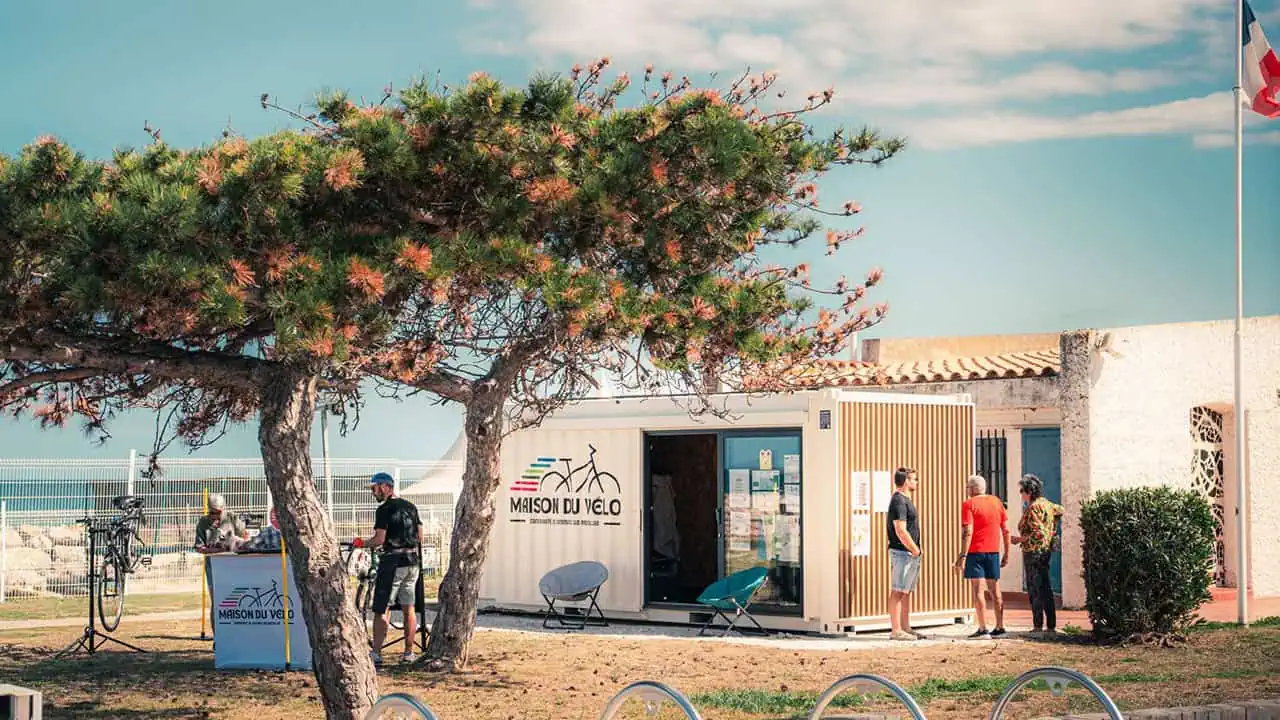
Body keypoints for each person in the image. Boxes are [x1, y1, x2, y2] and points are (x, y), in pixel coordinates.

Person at [355, 472, 423, 667]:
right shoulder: (410, 507)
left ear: (385, 487)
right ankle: (408, 653)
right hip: (412, 562)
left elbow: (379, 539)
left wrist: (361, 543)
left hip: (392, 563)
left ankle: (376, 653)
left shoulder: (384, 510)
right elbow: (420, 536)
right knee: (409, 608)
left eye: (375, 488)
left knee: (382, 608)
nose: (373, 493)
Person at [954, 474, 1010, 639]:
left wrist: (962, 555)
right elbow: (1006, 530)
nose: (967, 490)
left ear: (972, 488)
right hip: (993, 552)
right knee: (995, 590)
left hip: (975, 552)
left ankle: (983, 628)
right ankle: (1000, 627)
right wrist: (1006, 553)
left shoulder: (968, 504)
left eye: (967, 487)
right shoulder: (997, 502)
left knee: (978, 590)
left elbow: (968, 531)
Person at [1011, 474, 1065, 637]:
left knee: (1035, 589)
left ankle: (1038, 624)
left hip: (1033, 552)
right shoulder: (1047, 504)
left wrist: (1019, 539)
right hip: (1045, 551)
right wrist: (1052, 528)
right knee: (1046, 587)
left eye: (1022, 491)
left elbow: (1038, 532)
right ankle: (1051, 624)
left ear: (1029, 492)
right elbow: (1060, 510)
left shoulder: (1034, 508)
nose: (1021, 494)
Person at [193, 493, 248, 637]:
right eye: (211, 513)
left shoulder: (232, 518)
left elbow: (244, 536)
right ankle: (218, 636)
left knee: (236, 599)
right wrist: (217, 550)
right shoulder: (203, 523)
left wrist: (234, 545)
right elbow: (199, 547)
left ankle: (237, 633)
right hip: (213, 567)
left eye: (217, 513)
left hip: (233, 566)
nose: (214, 516)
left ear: (223, 509)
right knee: (217, 601)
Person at [886, 467, 924, 641]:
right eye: (914, 479)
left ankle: (905, 627)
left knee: (905, 591)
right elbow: (900, 529)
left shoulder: (905, 500)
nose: (916, 482)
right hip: (902, 553)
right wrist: (914, 549)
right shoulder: (899, 501)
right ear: (906, 481)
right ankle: (896, 630)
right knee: (897, 591)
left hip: (910, 553)